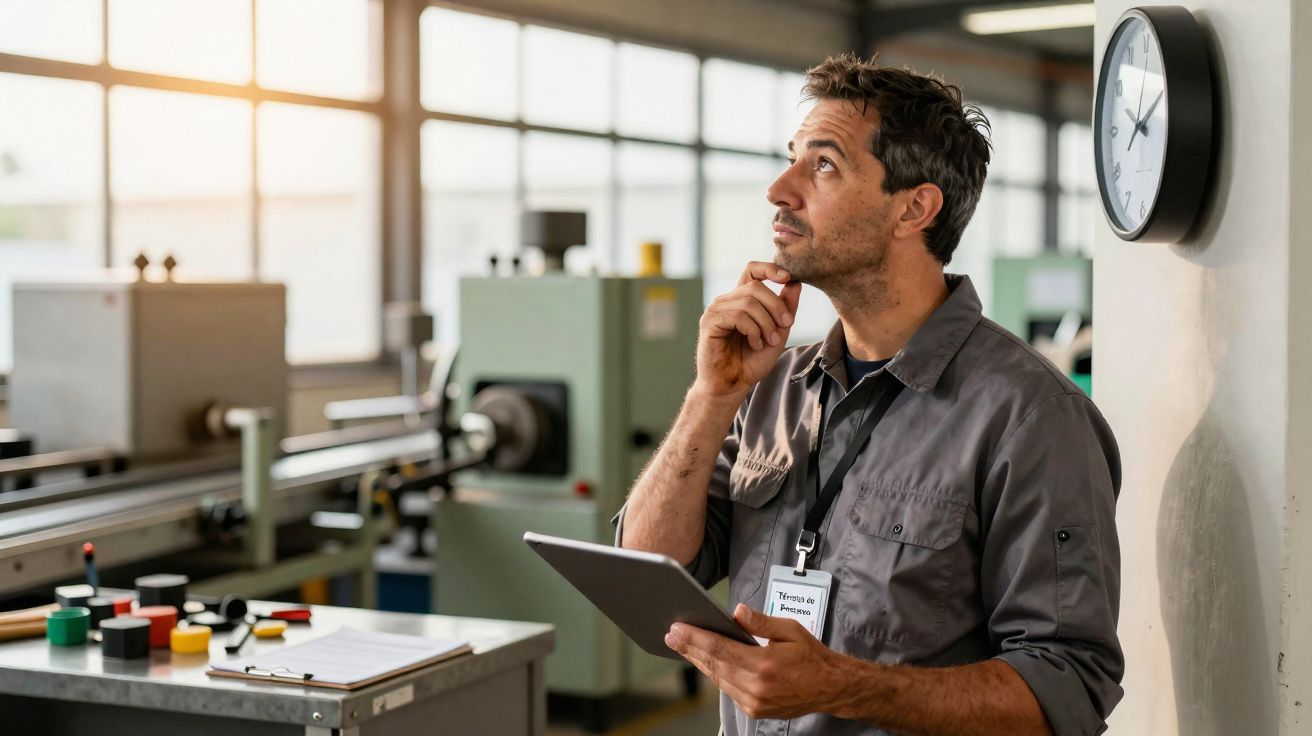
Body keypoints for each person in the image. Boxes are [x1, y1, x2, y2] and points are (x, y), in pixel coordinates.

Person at [615, 54, 1123, 736]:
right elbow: (650, 567)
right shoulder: (771, 391)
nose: (778, 188)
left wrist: (848, 688)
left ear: (915, 208)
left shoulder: (1028, 417)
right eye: (791, 158)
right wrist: (711, 396)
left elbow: (1068, 684)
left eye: (822, 165)